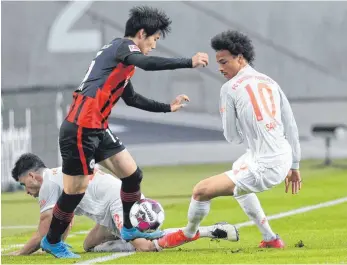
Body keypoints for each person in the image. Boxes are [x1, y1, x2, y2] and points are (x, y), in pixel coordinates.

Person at [41, 5, 209, 258]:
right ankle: (52, 240)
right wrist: (188, 61)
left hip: (97, 127)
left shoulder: (120, 61)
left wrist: (168, 107)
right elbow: (148, 63)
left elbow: (131, 99)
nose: (153, 46)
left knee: (132, 175)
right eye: (154, 40)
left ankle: (129, 228)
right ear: (141, 34)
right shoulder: (124, 48)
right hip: (80, 126)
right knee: (75, 190)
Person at [158, 30, 302, 249]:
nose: (220, 68)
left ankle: (189, 233)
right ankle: (271, 238)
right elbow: (290, 124)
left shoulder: (229, 88)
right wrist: (294, 164)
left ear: (240, 58)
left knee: (200, 191)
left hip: (264, 163)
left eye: (224, 62)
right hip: (280, 156)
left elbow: (232, 136)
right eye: (218, 62)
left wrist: (247, 128)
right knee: (239, 171)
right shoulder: (271, 82)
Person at [10, 153, 238, 256]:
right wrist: (57, 244)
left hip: (117, 203)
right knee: (90, 245)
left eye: (24, 185)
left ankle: (207, 231)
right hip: (110, 206)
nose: (28, 191)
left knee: (145, 247)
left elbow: (44, 229)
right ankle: (131, 237)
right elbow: (63, 222)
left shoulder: (48, 183)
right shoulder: (57, 176)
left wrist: (21, 254)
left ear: (32, 176)